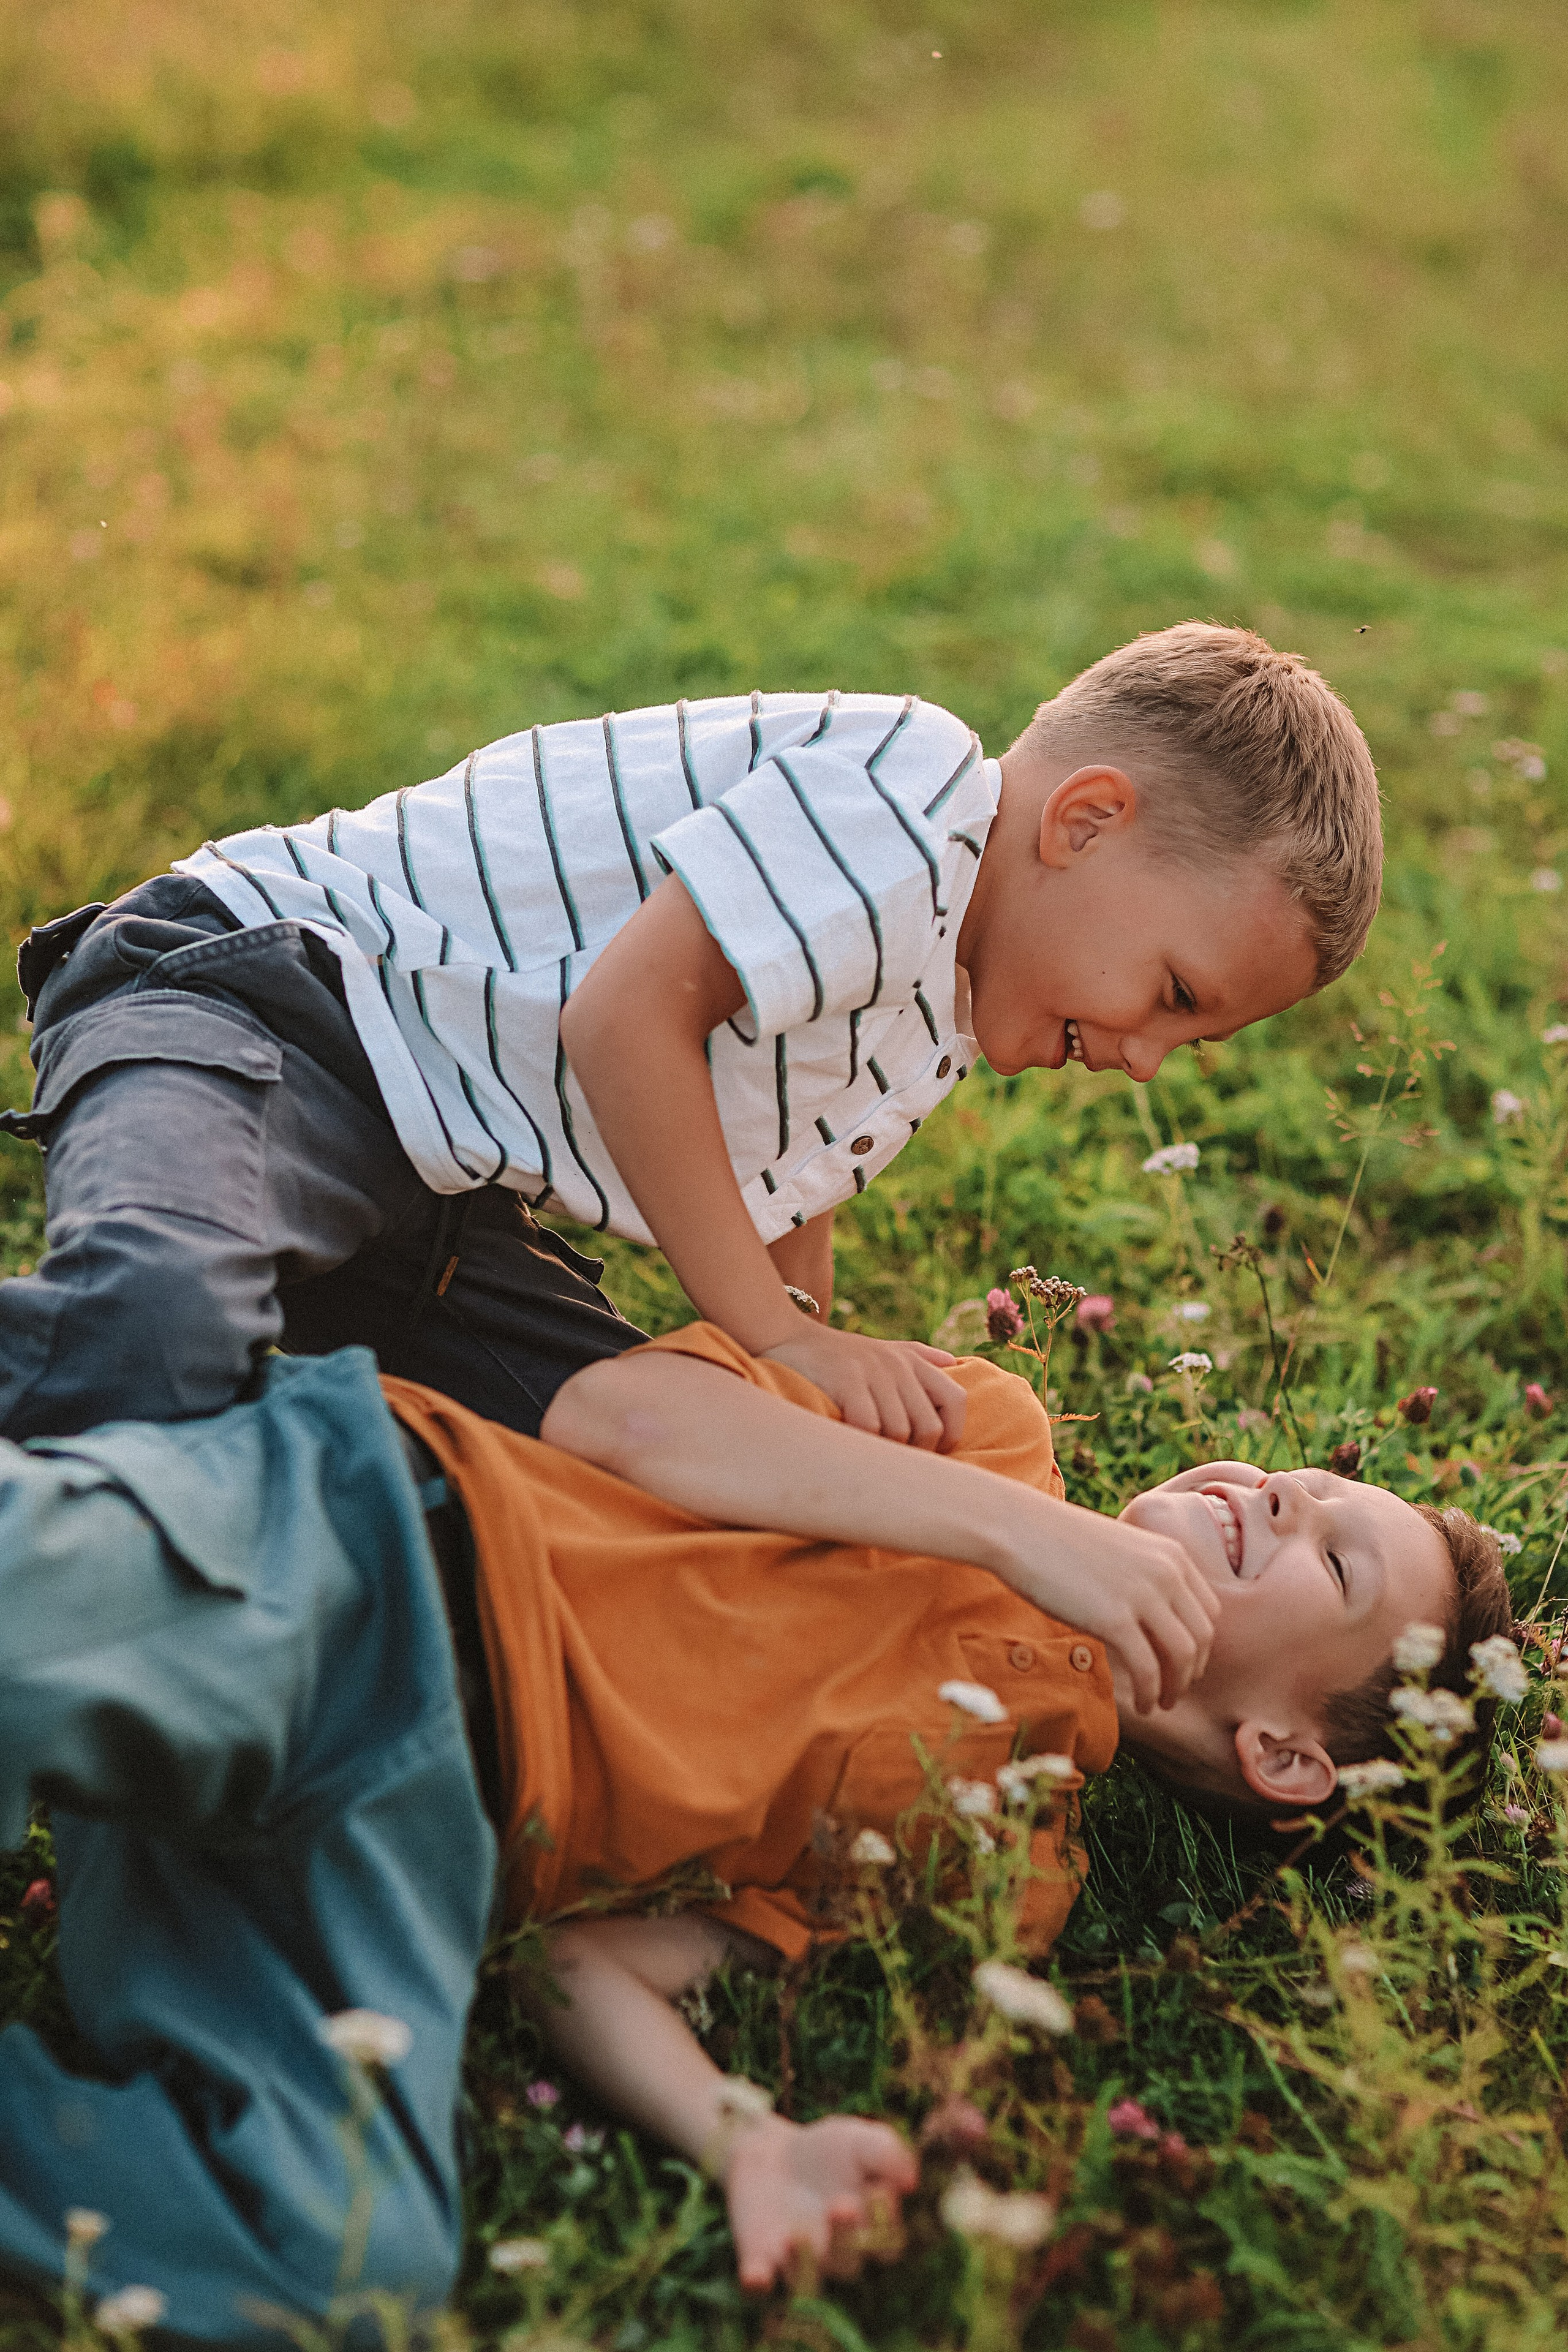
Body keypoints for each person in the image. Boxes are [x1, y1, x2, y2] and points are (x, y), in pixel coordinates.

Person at [0, 1324, 1508, 2337]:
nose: (1276, 1493)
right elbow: (618, 1418)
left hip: (397, 1853)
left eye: (1331, 1557)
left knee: (340, 2260)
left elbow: (587, 1960)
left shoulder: (1007, 1869)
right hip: (383, 1565)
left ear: (1282, 1756)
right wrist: (1016, 1529)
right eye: (1309, 1482)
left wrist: (750, 2145)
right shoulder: (988, 1437)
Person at [0, 624, 1381, 1452]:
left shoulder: (940, 1008)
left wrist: (792, 1373)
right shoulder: (910, 799)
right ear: (1084, 821)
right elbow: (626, 1020)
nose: (1142, 1058)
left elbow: (787, 1181)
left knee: (654, 1447)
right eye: (1175, 995)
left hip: (429, 1179)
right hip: (268, 1007)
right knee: (157, 1319)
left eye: (1188, 1041)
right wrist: (770, 1336)